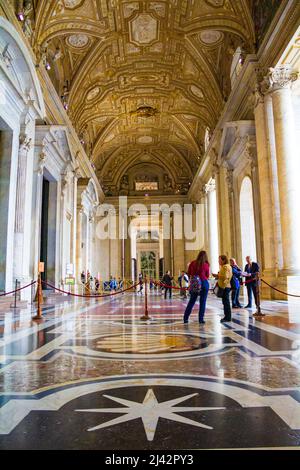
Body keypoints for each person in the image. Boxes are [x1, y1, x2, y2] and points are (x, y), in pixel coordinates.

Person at [183, 251, 210, 324]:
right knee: (203, 302)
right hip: (204, 283)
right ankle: (201, 319)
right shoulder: (206, 264)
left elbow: (189, 273)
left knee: (192, 301)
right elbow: (207, 275)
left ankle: (185, 318)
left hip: (195, 283)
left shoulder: (192, 263)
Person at [213, 255, 233, 323]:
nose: (218, 261)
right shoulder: (228, 266)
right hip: (226, 285)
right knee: (226, 302)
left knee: (226, 303)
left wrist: (217, 275)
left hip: (225, 286)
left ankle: (227, 317)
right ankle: (227, 316)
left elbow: (225, 276)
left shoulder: (225, 267)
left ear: (223, 260)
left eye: (219, 260)